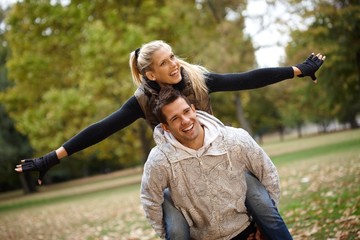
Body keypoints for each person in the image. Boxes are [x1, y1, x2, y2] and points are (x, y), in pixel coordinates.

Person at [15, 40, 325, 239]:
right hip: (181, 174)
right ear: (150, 74)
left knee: (262, 203)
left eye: (172, 56)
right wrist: (50, 158)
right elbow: (101, 129)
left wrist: (297, 70)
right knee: (176, 229)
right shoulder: (140, 102)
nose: (174, 64)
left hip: (220, 163)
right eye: (164, 63)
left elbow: (247, 78)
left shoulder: (197, 79)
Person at [141, 86, 287, 239]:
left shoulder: (234, 139)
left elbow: (268, 173)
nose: (185, 121)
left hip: (245, 229)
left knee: (250, 180)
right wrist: (167, 235)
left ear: (193, 109)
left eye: (186, 112)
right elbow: (150, 200)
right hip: (201, 237)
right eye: (175, 118)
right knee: (167, 199)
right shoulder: (159, 160)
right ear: (166, 127)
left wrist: (264, 224)